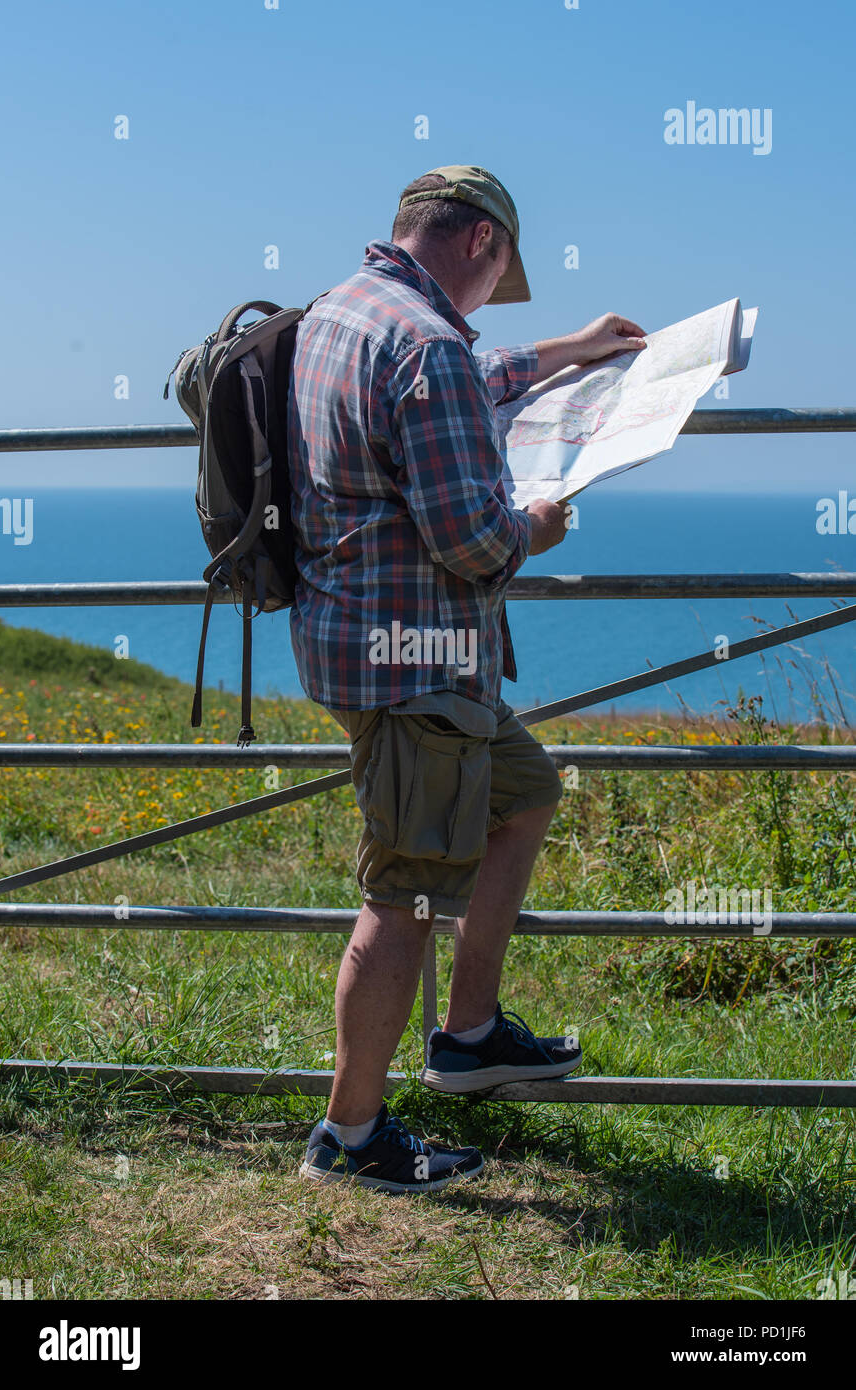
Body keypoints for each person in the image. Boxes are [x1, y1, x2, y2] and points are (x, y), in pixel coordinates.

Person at [288, 165, 645, 1193]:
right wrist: (536, 524)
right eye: (502, 274)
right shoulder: (428, 344)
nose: (493, 300)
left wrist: (574, 349)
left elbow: (471, 374)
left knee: (525, 791)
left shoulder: (346, 311)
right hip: (414, 666)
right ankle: (349, 1142)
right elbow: (476, 543)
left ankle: (471, 1031)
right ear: (484, 244)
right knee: (400, 894)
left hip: (365, 643)